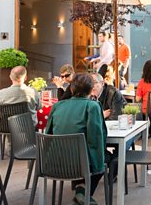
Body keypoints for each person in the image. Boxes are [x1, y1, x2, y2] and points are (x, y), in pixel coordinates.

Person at [45, 73, 106, 204]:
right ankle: (82, 192)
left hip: (55, 162)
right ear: (91, 90)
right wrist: (99, 164)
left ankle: (81, 193)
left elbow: (48, 135)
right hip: (79, 164)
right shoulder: (92, 106)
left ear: (72, 89)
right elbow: (96, 139)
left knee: (83, 155)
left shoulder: (57, 106)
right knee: (105, 158)